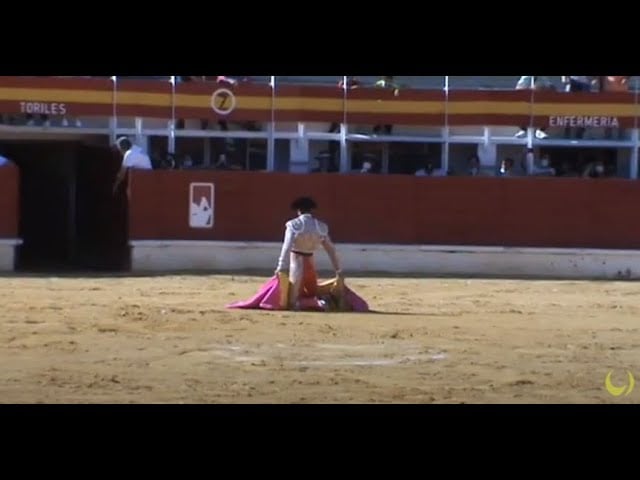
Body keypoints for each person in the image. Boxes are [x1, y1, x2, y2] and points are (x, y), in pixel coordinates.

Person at [274, 197, 342, 310]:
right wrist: (338, 270)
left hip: (296, 262)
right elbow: (331, 250)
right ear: (311, 210)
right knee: (311, 291)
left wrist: (281, 267)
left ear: (298, 210)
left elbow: (286, 247)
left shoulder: (293, 225)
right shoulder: (321, 227)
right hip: (310, 262)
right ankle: (320, 302)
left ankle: (302, 303)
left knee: (292, 299)